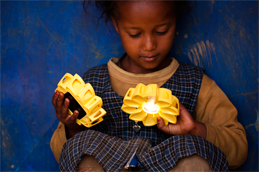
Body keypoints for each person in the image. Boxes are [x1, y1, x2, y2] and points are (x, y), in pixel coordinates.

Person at [50, 0, 248, 171]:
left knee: (196, 157)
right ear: (116, 24)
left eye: (161, 31)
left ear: (175, 20)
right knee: (83, 146)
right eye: (135, 34)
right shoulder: (90, 85)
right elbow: (64, 155)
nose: (149, 45)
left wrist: (196, 131)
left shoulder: (197, 83)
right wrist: (73, 128)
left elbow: (238, 150)